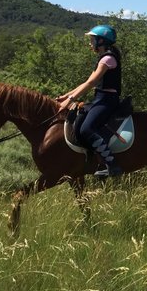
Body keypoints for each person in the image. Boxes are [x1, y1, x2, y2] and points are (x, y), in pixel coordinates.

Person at [57, 25, 123, 178]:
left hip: (107, 100)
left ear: (101, 41)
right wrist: (66, 96)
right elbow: (86, 82)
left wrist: (71, 99)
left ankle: (112, 164)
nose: (90, 43)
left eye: (92, 40)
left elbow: (91, 83)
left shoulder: (108, 59)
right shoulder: (102, 58)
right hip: (100, 98)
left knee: (86, 129)